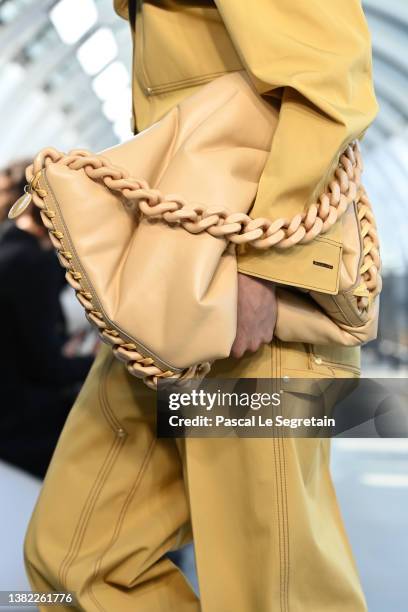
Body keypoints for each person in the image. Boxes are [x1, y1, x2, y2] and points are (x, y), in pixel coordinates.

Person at [24, 1, 379, 610]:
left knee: (271, 590)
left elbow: (328, 76)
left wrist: (264, 267)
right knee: (78, 564)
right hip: (178, 302)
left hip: (250, 303)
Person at [0, 161, 94, 478]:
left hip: (21, 416)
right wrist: (96, 360)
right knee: (145, 400)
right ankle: (253, 410)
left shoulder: (13, 249)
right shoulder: (27, 264)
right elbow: (48, 370)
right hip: (30, 426)